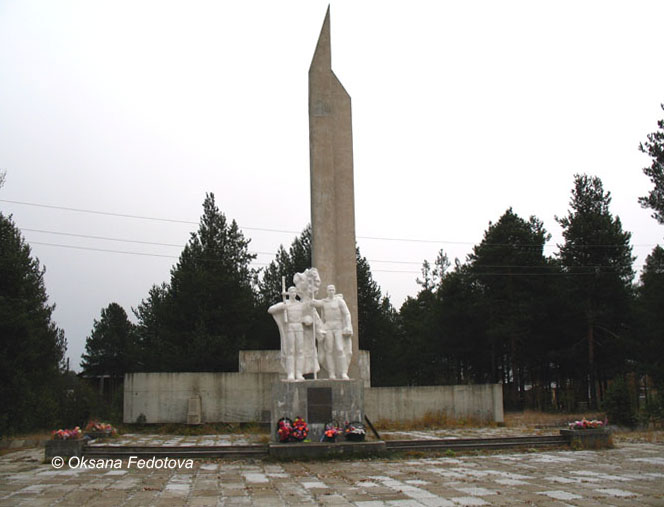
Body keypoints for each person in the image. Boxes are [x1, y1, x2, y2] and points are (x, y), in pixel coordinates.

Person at [313, 284, 353, 380]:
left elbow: (347, 314)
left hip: (338, 326)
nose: (331, 291)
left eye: (332, 289)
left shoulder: (339, 301)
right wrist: (311, 296)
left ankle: (343, 372)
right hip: (328, 327)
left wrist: (347, 325)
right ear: (327, 291)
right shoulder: (324, 302)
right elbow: (315, 303)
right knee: (329, 350)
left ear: (334, 291)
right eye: (329, 290)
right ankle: (331, 373)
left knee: (340, 349)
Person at [268, 286, 306, 380]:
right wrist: (282, 306)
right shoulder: (286, 304)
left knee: (300, 351)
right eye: (291, 291)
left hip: (299, 327)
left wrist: (307, 320)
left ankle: (299, 373)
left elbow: (308, 316)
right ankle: (291, 373)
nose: (293, 293)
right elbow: (270, 310)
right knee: (291, 351)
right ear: (288, 293)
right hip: (290, 327)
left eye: (295, 291)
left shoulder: (301, 304)